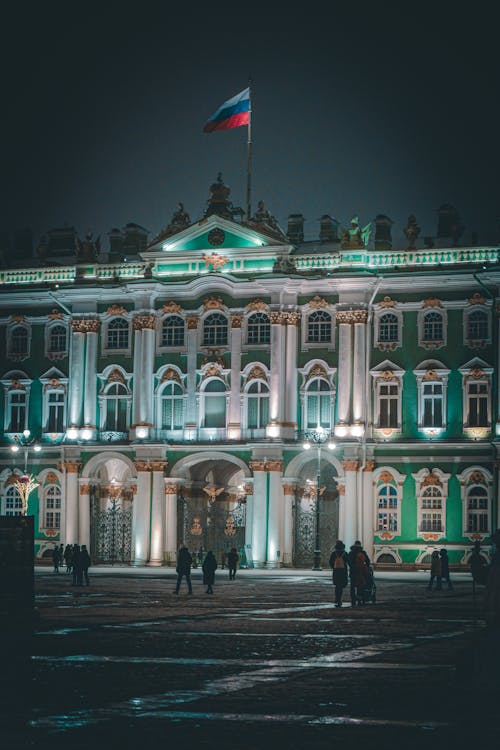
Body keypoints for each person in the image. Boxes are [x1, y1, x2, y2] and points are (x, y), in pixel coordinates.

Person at [347, 541, 371, 605]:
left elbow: (349, 562)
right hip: (361, 571)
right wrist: (366, 567)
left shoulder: (351, 553)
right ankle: (360, 597)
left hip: (353, 571)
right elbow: (368, 561)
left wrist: (353, 567)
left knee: (352, 586)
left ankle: (353, 598)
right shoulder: (363, 552)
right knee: (360, 585)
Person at [329, 540, 349, 607]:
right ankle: (339, 598)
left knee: (337, 586)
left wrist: (334, 567)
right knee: (341, 585)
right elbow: (347, 561)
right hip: (343, 571)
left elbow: (331, 562)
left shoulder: (334, 553)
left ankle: (337, 598)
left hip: (336, 571)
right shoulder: (345, 553)